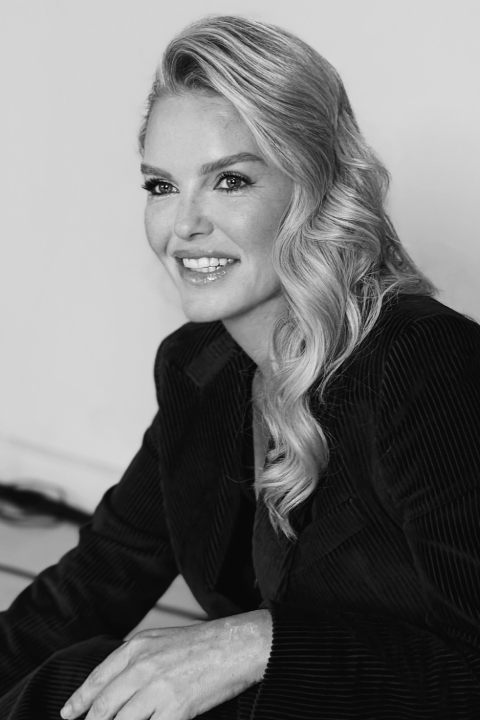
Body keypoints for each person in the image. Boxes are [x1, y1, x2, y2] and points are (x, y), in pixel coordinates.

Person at [1, 14, 479, 720]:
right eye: (161, 186)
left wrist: (259, 643)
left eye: (229, 180)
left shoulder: (428, 363)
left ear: (315, 188)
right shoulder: (199, 367)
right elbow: (97, 580)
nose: (183, 225)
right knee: (74, 676)